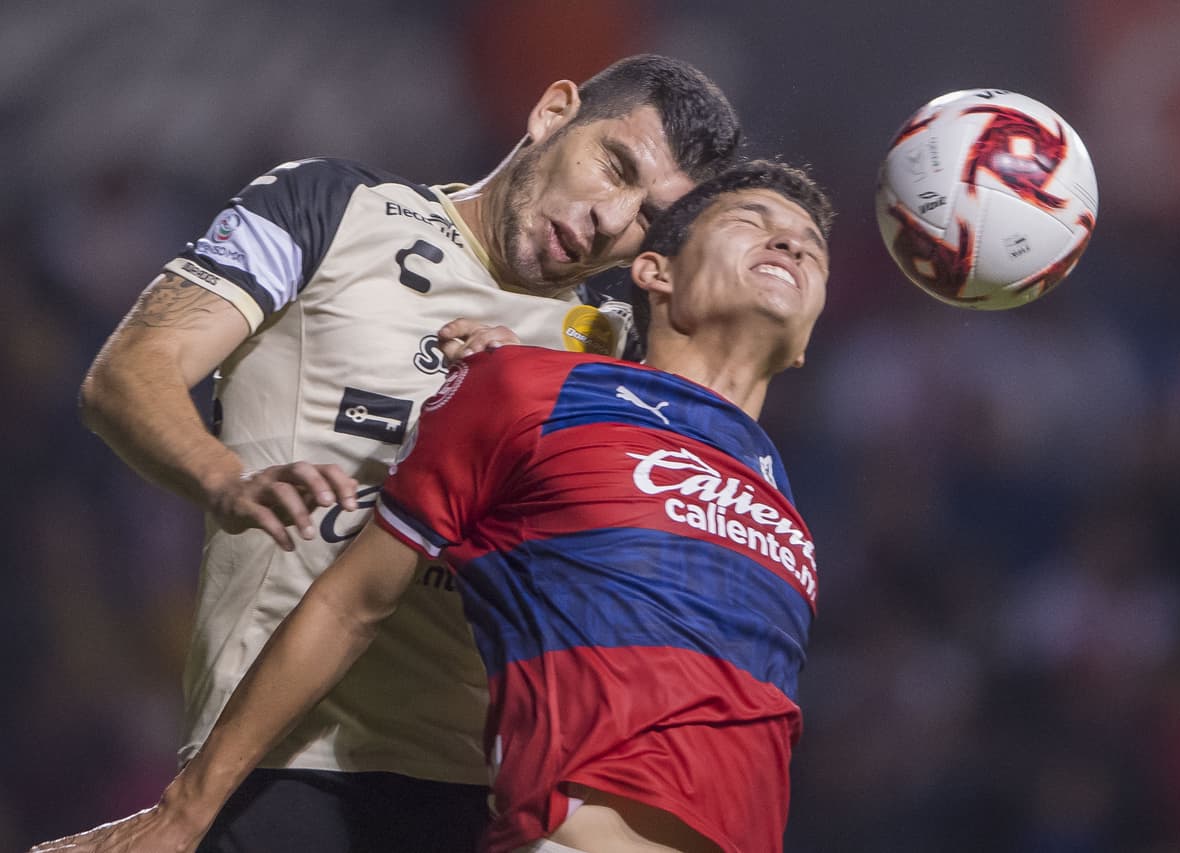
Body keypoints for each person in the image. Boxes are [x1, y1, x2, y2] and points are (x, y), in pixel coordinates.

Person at [34, 158, 834, 853]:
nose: (791, 241)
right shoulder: (526, 389)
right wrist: (185, 811)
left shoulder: (782, 491)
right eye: (752, 219)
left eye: (812, 244)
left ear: (804, 345)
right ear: (655, 272)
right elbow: (353, 601)